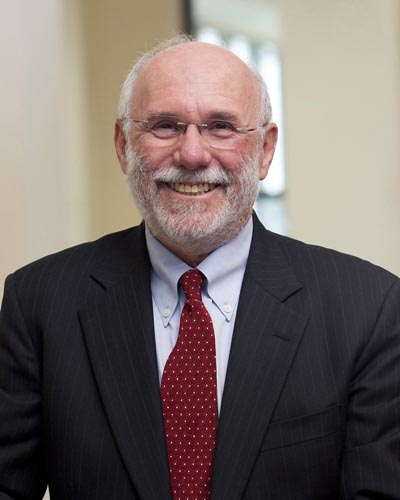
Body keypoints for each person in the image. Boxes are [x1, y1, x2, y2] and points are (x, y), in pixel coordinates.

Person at [0, 34, 399, 500]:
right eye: (165, 125)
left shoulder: (368, 309)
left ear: (266, 150)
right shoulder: (40, 303)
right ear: (124, 146)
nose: (191, 155)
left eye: (221, 126)